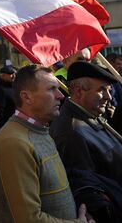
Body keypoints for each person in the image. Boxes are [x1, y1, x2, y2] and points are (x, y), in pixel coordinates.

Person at [0, 64, 92, 223]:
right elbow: (28, 218)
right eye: (51, 89)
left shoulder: (40, 130)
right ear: (27, 97)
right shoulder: (14, 142)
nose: (60, 95)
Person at [50, 61, 122, 221]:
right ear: (78, 91)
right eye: (101, 90)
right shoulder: (71, 132)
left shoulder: (90, 114)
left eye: (109, 90)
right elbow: (88, 192)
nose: (108, 97)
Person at [0, 66, 17, 130]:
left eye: (14, 74)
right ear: (3, 76)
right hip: (6, 124)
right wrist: (2, 126)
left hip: (14, 122)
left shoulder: (12, 86)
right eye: (11, 74)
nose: (14, 76)